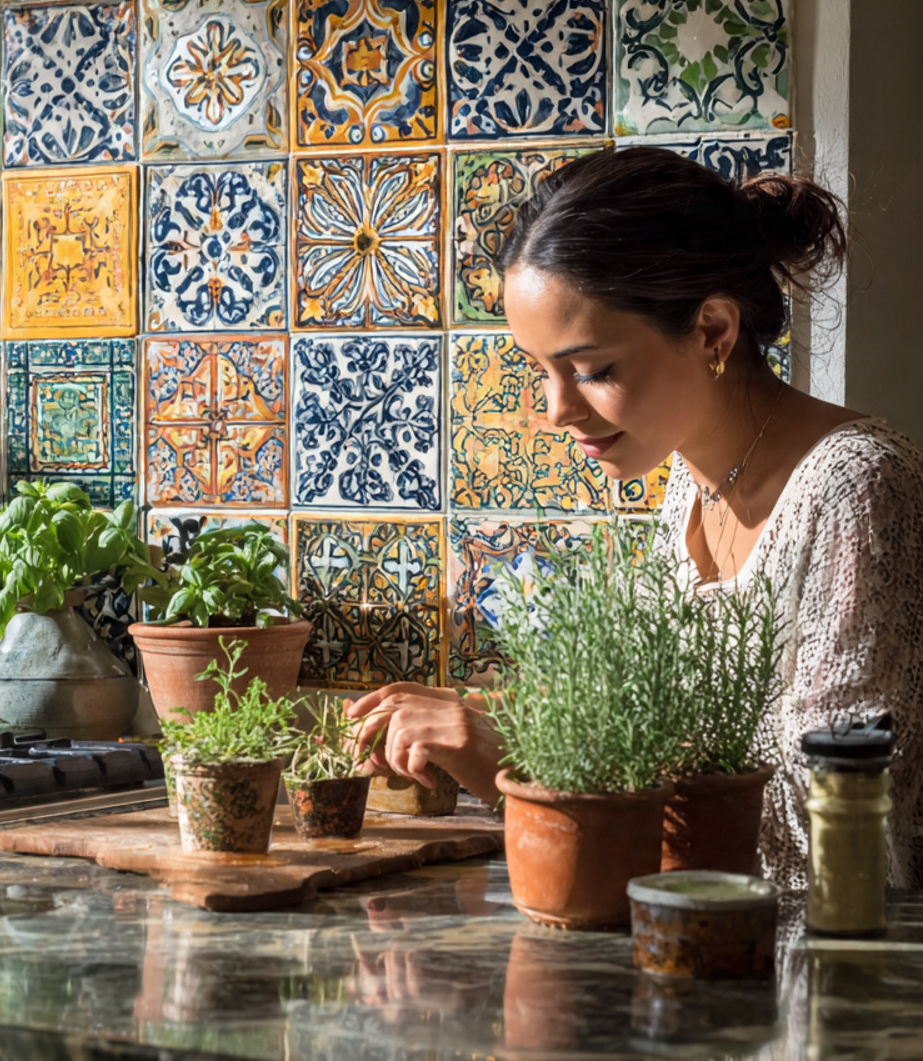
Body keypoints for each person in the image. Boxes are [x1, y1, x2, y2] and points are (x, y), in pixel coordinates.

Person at [348, 145, 923, 890]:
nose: (557, 411)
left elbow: (835, 839)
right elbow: (672, 749)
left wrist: (524, 764)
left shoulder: (856, 489)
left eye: (593, 370)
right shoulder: (690, 486)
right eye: (542, 369)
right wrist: (493, 722)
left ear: (714, 330)